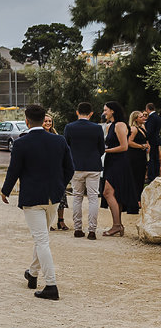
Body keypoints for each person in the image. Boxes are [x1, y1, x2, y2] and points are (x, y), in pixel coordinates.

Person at [0, 104, 74, 300]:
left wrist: (5, 191)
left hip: (32, 197)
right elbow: (70, 169)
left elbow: (13, 170)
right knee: (42, 237)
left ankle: (51, 284)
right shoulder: (59, 141)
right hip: (54, 197)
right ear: (44, 121)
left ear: (26, 121)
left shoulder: (21, 143)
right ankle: (32, 274)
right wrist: (60, 185)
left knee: (41, 240)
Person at [63, 102, 104, 240]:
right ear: (91, 113)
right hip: (93, 165)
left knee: (77, 197)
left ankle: (78, 228)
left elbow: (66, 147)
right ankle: (92, 230)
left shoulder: (69, 127)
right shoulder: (97, 128)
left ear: (77, 112)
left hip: (76, 166)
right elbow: (101, 148)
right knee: (93, 198)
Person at [100, 101, 136, 235]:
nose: (104, 113)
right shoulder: (110, 126)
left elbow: (124, 146)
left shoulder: (120, 125)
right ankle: (118, 224)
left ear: (112, 111)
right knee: (114, 194)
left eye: (105, 110)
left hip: (119, 162)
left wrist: (105, 151)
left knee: (107, 193)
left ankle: (116, 225)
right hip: (111, 161)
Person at [42, 113, 69, 231]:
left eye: (50, 121)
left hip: (57, 169)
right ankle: (48, 221)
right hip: (44, 170)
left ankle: (61, 220)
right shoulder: (39, 135)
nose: (48, 123)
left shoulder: (57, 135)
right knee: (46, 196)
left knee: (61, 195)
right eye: (45, 121)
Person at [127, 110, 149, 210]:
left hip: (142, 156)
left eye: (143, 116)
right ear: (135, 119)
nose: (143, 118)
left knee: (141, 177)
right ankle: (135, 200)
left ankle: (138, 199)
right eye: (141, 117)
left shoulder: (142, 128)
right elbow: (129, 142)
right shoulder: (133, 129)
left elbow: (146, 139)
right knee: (135, 177)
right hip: (134, 157)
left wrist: (147, 145)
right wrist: (141, 146)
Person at [145, 103, 160, 183]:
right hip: (156, 139)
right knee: (156, 158)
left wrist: (145, 138)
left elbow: (149, 131)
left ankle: (151, 176)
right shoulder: (157, 117)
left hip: (151, 141)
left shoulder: (151, 118)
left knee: (151, 159)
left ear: (147, 109)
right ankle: (156, 174)